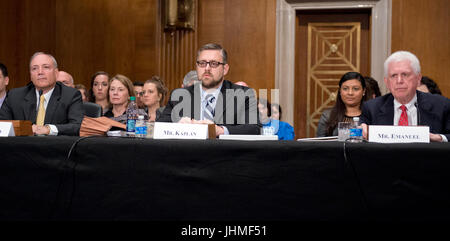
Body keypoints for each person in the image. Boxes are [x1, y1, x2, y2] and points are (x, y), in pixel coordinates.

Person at [158, 43, 260, 136]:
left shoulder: (242, 94)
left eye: (213, 63)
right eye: (202, 63)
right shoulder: (180, 95)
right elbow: (159, 127)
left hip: (226, 154)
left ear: (225, 69)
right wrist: (178, 126)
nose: (207, 68)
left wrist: (220, 130)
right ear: (197, 67)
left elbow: (254, 129)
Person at [361, 51, 450, 142]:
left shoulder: (442, 106)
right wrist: (361, 132)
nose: (399, 81)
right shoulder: (371, 108)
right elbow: (358, 138)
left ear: (418, 78)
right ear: (386, 82)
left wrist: (439, 138)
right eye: (394, 75)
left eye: (405, 74)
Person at [0, 52, 83, 136]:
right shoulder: (15, 96)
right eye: (34, 68)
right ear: (30, 75)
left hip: (55, 147)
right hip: (22, 147)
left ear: (56, 73)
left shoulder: (70, 95)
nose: (40, 72)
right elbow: (2, 125)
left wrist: (49, 129)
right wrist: (25, 129)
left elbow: (77, 126)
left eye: (46, 67)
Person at [316, 72, 366, 137]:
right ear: (340, 91)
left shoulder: (371, 115)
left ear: (364, 91)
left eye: (355, 89)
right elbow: (319, 144)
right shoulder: (328, 116)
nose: (350, 93)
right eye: (345, 89)